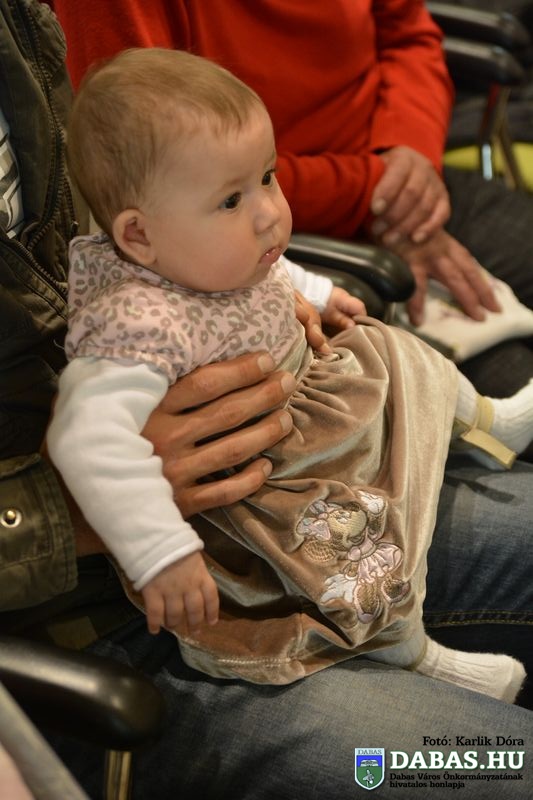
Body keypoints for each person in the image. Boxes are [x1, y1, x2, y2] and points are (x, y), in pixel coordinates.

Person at [1, 3, 532, 799]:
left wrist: (312, 291)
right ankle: (417, 654)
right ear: (138, 238)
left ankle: (485, 423)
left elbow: (237, 233)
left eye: (270, 179)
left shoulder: (20, 28)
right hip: (188, 579)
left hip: (297, 460)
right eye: (238, 198)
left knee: (399, 362)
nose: (270, 210)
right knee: (499, 766)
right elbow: (90, 435)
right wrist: (132, 539)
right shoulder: (135, 329)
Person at [47, 0, 533, 402]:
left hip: (402, 179)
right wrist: (374, 191)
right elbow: (167, 180)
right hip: (294, 230)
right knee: (471, 382)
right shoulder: (134, 327)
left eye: (267, 176)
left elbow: (406, 30)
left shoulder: (265, 202)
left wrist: (410, 152)